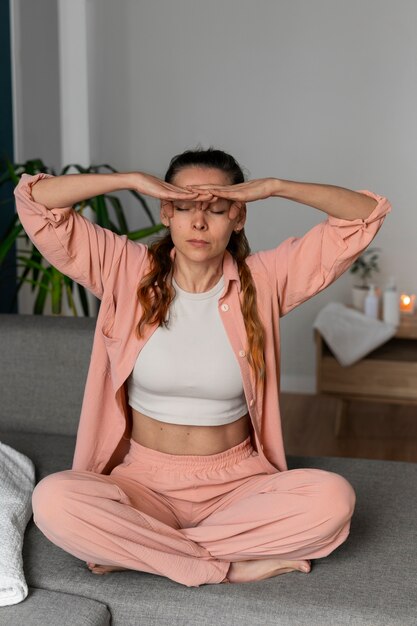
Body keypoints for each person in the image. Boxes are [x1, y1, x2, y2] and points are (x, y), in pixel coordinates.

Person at [14, 148, 391, 587]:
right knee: (54, 500)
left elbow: (365, 215)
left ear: (238, 217)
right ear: (165, 212)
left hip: (236, 486)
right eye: (184, 206)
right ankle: (226, 566)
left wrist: (273, 187)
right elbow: (37, 202)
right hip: (143, 486)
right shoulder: (124, 270)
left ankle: (146, 551)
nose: (198, 222)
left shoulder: (264, 279)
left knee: (333, 499)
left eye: (215, 209)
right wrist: (134, 179)